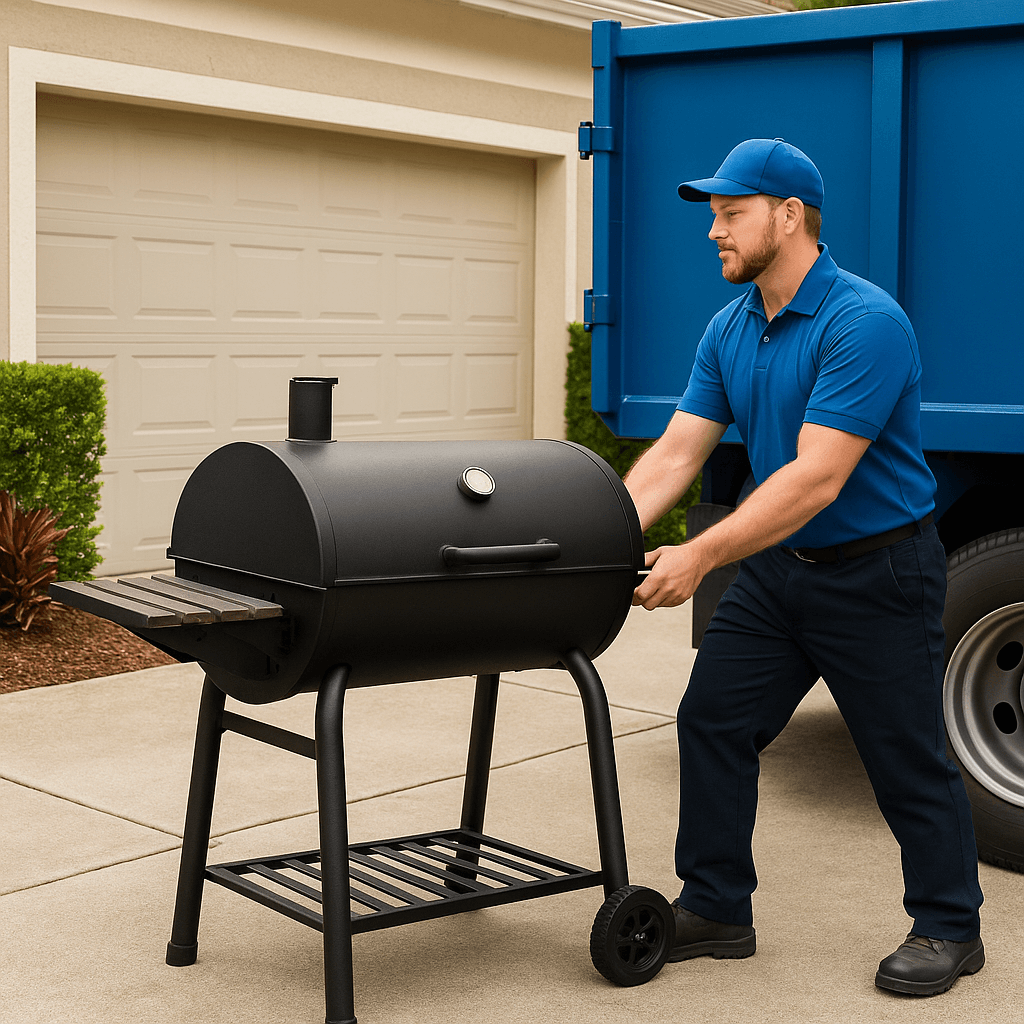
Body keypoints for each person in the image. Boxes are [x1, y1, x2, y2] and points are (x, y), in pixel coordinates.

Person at [625, 139, 984, 996]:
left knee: (904, 757)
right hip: (779, 571)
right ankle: (717, 906)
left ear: (789, 217)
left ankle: (950, 925)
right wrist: (594, 538)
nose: (714, 230)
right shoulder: (731, 325)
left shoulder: (864, 322)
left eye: (731, 213)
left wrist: (700, 553)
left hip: (879, 571)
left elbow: (818, 477)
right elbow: (676, 453)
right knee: (713, 720)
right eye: (714, 214)